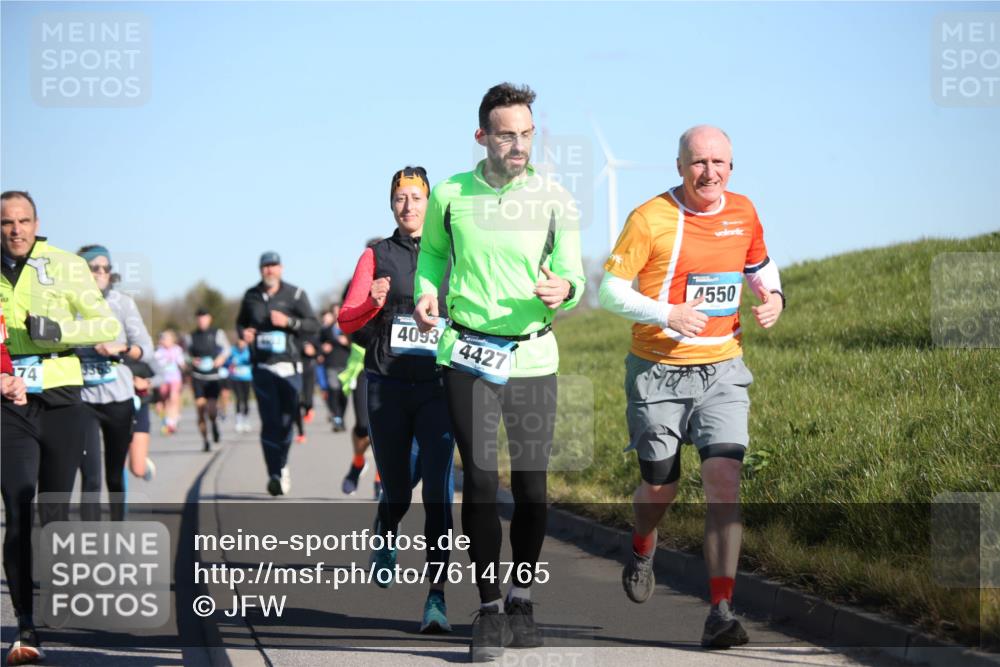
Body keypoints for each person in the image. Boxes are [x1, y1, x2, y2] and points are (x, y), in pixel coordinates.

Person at [413, 84, 585, 662]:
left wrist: (566, 288)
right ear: (482, 136)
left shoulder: (555, 196)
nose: (519, 145)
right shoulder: (450, 195)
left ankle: (522, 596)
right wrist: (424, 291)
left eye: (527, 134)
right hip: (467, 352)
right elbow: (433, 254)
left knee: (533, 490)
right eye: (507, 134)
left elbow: (572, 273)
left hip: (533, 355)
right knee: (481, 481)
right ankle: (488, 609)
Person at [599, 125, 784, 649]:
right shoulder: (650, 218)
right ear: (679, 167)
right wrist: (667, 313)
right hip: (657, 370)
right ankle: (640, 546)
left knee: (724, 482)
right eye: (699, 163)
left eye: (720, 163)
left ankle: (721, 611)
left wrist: (774, 297)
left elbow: (759, 266)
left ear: (732, 166)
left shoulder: (744, 211)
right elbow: (610, 292)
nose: (710, 173)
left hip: (722, 369)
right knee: (660, 487)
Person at [1, 190, 121, 665]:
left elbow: (104, 324)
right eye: (7, 222)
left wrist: (58, 331)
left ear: (36, 222)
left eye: (24, 220)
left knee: (53, 511)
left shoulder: (66, 265)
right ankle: (25, 626)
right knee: (16, 500)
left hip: (63, 396)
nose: (16, 230)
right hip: (9, 401)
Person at [339, 165, 457, 633]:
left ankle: (436, 598)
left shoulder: (451, 254)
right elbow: (347, 322)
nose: (408, 206)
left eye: (416, 197)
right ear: (391, 205)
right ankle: (386, 529)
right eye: (400, 198)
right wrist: (372, 302)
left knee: (439, 495)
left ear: (429, 203)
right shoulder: (376, 255)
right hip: (387, 388)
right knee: (399, 489)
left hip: (440, 389)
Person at [75, 244, 156, 521]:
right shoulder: (67, 302)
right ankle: (91, 540)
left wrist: (119, 347)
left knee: (114, 474)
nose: (100, 273)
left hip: (119, 399)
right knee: (91, 477)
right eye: (93, 268)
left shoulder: (122, 303)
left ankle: (117, 530)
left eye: (105, 268)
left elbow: (146, 347)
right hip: (83, 400)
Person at [236, 251, 319, 496]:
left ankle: (282, 464)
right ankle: (274, 473)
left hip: (290, 368)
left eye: (273, 266)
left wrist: (289, 323)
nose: (269, 270)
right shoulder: (251, 296)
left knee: (285, 423)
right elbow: (240, 323)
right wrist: (244, 334)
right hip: (262, 367)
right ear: (260, 270)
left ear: (281, 268)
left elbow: (313, 324)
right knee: (269, 421)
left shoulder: (295, 294)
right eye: (265, 266)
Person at [187, 308, 231, 452]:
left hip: (213, 376)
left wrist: (221, 358)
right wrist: (191, 360)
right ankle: (205, 441)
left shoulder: (217, 333)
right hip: (198, 377)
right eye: (199, 318)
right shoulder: (191, 336)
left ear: (209, 319)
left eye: (204, 318)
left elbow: (227, 349)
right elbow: (182, 355)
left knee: (211, 410)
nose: (202, 321)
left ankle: (214, 425)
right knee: (200, 409)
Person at [319, 304, 350, 432]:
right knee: (333, 391)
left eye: (339, 311)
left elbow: (359, 342)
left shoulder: (349, 327)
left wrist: (347, 342)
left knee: (343, 394)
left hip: (346, 364)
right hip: (331, 364)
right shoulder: (326, 330)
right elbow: (318, 343)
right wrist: (322, 348)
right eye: (334, 312)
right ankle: (336, 418)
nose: (337, 314)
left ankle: (341, 417)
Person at [154, 329, 185, 434]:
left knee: (173, 398)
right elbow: (155, 364)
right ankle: (169, 420)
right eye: (163, 339)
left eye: (167, 339)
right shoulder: (159, 351)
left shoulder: (177, 350)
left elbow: (181, 363)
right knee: (165, 400)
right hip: (163, 379)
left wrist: (186, 367)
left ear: (172, 340)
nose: (165, 341)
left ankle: (172, 422)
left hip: (175, 378)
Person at [226, 337, 254, 433]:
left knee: (245, 399)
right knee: (238, 398)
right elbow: (227, 362)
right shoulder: (232, 351)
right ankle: (238, 421)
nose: (241, 344)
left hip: (246, 378)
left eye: (243, 342)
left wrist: (242, 361)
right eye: (240, 342)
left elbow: (251, 360)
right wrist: (231, 363)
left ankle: (246, 420)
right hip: (236, 378)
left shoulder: (249, 350)